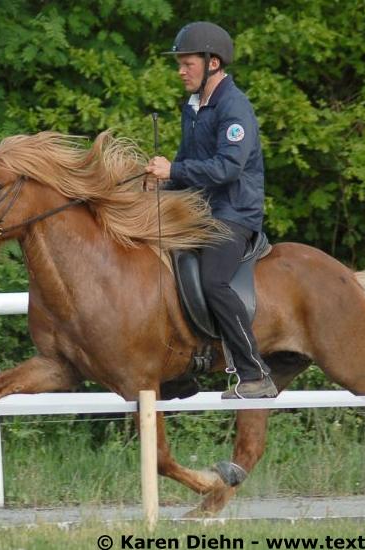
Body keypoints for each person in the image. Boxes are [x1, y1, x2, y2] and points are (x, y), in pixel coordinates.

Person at [145, 21, 278, 399]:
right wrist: (160, 183)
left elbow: (227, 168)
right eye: (180, 64)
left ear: (213, 63)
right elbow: (187, 163)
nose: (181, 71)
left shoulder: (234, 108)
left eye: (187, 64)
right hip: (199, 212)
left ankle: (254, 373)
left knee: (213, 281)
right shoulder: (193, 107)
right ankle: (181, 369)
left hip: (234, 214)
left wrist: (174, 171)